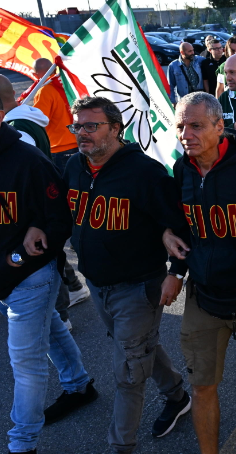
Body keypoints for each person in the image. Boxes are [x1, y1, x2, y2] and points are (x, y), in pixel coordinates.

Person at [0, 83, 96, 454]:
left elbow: (60, 216)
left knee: (26, 363)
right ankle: (79, 384)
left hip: (29, 278)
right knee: (50, 331)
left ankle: (22, 442)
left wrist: (23, 250)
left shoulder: (27, 160)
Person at [64, 96, 191, 452]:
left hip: (138, 287)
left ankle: (120, 446)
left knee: (128, 372)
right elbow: (61, 213)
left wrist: (176, 272)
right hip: (97, 282)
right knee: (137, 347)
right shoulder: (74, 167)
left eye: (92, 126)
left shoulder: (144, 172)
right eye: (78, 126)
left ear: (116, 129)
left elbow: (179, 225)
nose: (82, 133)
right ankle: (178, 395)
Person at [161, 93, 236, 454]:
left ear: (219, 126)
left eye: (195, 125)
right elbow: (184, 226)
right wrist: (175, 268)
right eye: (181, 126)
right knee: (201, 384)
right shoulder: (182, 169)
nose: (186, 134)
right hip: (203, 295)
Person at [29, 58, 92, 321]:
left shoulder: (45, 90)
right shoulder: (66, 86)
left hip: (57, 151)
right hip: (73, 146)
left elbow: (37, 120)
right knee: (76, 199)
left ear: (38, 74)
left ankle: (76, 248)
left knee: (60, 206)